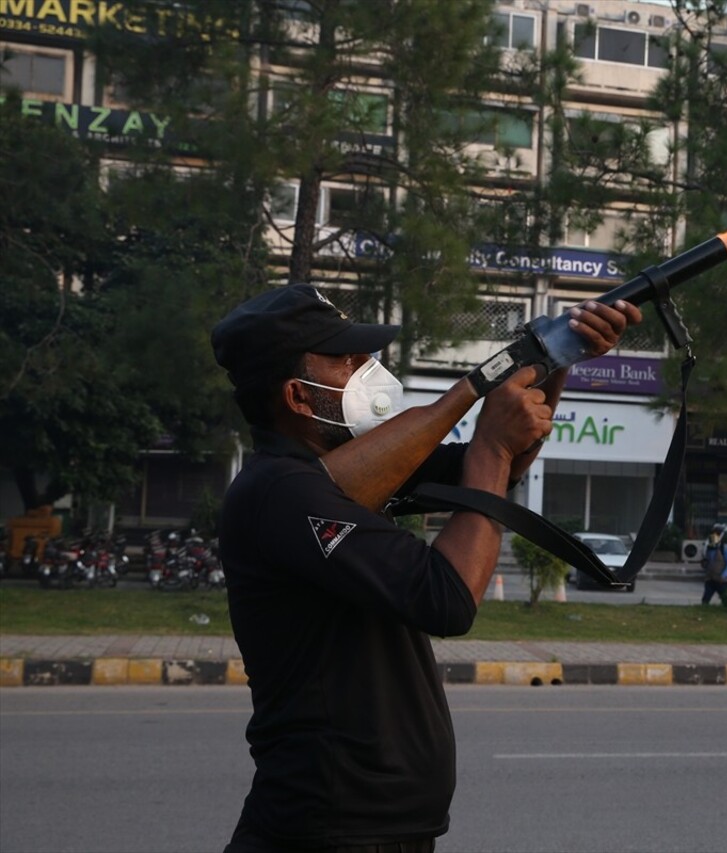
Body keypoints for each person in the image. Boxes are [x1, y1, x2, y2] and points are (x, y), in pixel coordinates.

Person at [210, 283, 640, 852]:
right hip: (331, 824)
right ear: (297, 395)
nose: (367, 368)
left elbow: (499, 467)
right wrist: (488, 442)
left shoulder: (336, 477)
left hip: (368, 824)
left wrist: (558, 357)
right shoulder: (282, 493)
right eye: (345, 361)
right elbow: (448, 597)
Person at [700, 524, 727, 605]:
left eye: (716, 534)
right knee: (705, 599)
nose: (713, 537)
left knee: (725, 600)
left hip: (721, 580)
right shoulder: (709, 549)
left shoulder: (724, 549)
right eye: (712, 534)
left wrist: (724, 574)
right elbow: (708, 561)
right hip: (710, 579)